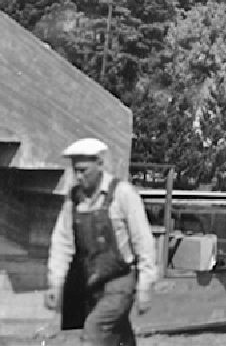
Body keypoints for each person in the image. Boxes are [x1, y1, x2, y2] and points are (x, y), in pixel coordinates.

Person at [46, 138, 157, 346]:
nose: (79, 177)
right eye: (75, 171)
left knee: (94, 331)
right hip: (93, 284)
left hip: (121, 280)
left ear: (99, 163)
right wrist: (55, 284)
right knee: (119, 338)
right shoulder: (74, 199)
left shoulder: (123, 194)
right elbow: (62, 244)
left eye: (84, 170)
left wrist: (145, 287)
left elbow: (144, 242)